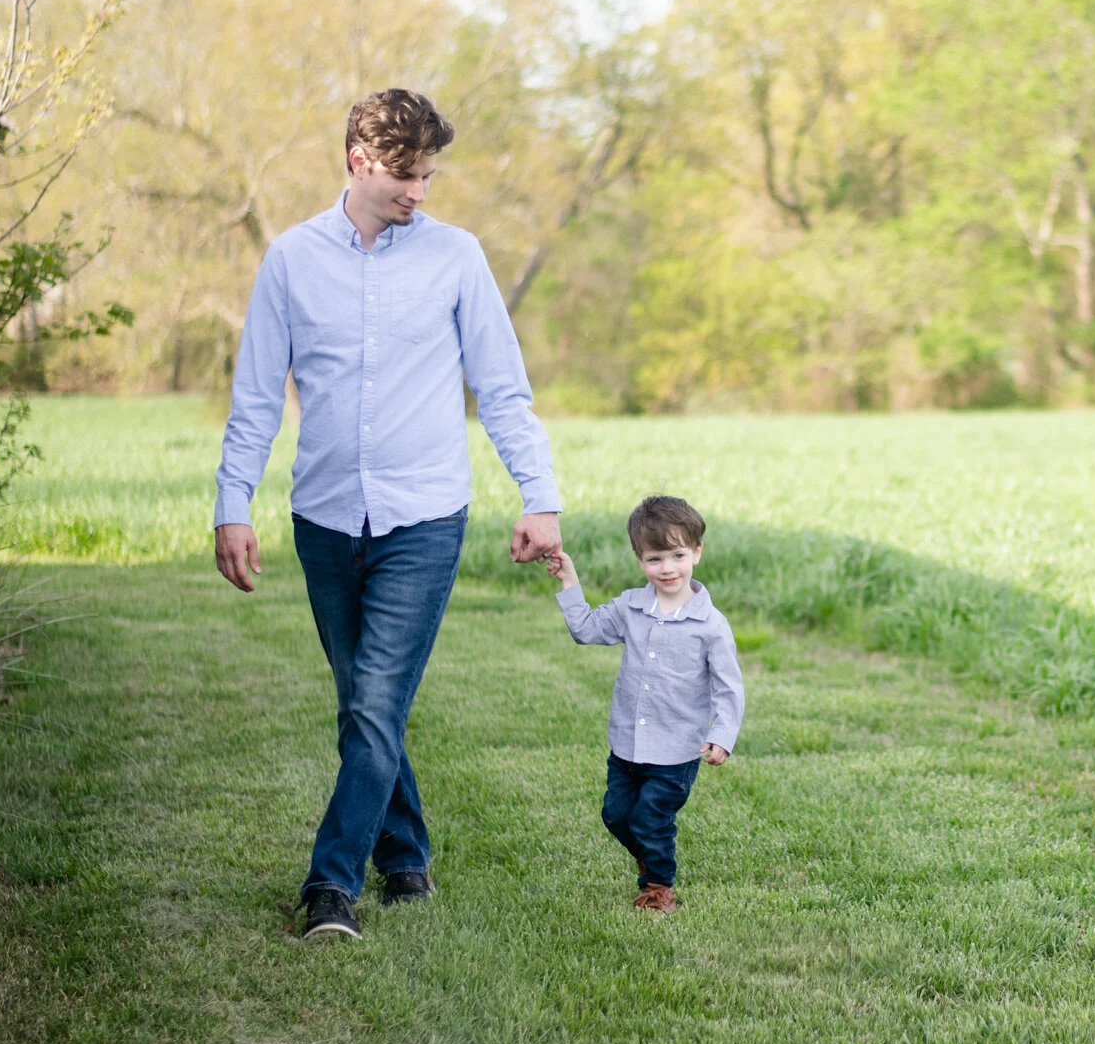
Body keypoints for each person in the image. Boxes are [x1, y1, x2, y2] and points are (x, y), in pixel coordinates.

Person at [213, 88, 562, 941]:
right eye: (405, 174)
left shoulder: (456, 256)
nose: (419, 191)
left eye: (428, 174)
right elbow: (256, 397)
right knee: (363, 703)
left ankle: (330, 885)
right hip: (325, 517)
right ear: (357, 161)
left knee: (374, 703)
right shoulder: (292, 260)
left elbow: (503, 389)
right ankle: (404, 853)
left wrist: (540, 497)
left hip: (425, 514)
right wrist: (232, 504)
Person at [546, 495, 744, 913]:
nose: (668, 568)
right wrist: (569, 580)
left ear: (697, 552)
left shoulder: (711, 625)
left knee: (651, 818)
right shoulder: (630, 607)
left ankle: (658, 887)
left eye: (678, 555)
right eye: (656, 559)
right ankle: (650, 853)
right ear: (640, 560)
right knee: (616, 815)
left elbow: (728, 687)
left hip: (676, 751)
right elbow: (586, 630)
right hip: (627, 744)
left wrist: (722, 736)